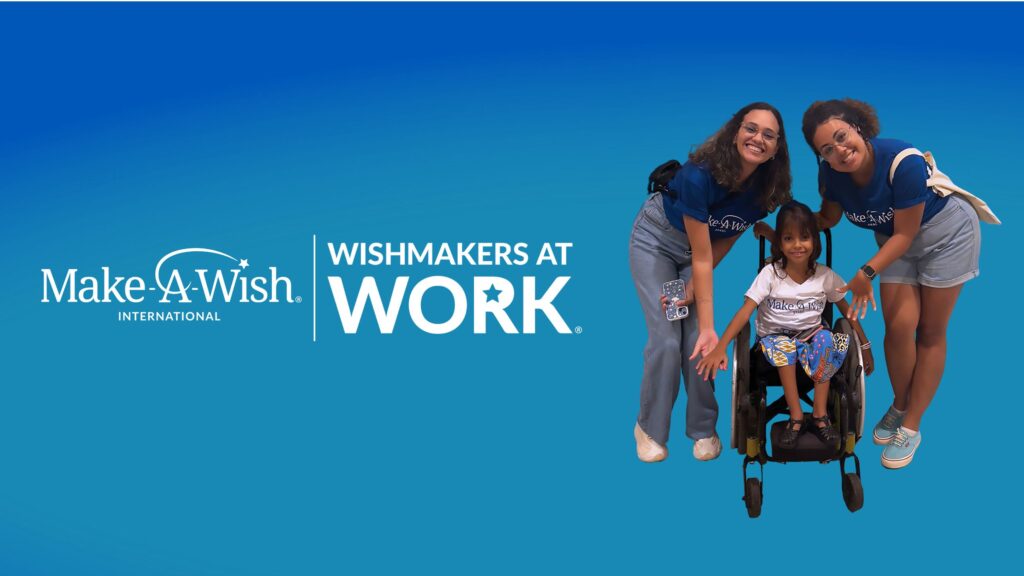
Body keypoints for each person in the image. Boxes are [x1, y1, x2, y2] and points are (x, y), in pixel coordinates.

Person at [801, 98, 984, 468]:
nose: (839, 151)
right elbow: (829, 218)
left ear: (859, 128)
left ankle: (913, 425)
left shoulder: (904, 161)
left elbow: (907, 233)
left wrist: (866, 273)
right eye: (827, 149)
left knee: (929, 332)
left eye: (842, 136)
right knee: (898, 329)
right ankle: (900, 404)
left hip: (946, 236)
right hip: (893, 244)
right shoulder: (832, 175)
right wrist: (789, 229)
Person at [629, 102, 791, 462]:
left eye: (768, 135)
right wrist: (707, 323)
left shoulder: (766, 190)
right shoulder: (698, 176)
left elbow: (727, 236)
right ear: (736, 132)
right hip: (658, 245)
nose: (757, 139)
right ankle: (650, 428)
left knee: (700, 344)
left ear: (777, 147)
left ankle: (703, 429)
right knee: (670, 340)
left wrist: (694, 288)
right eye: (751, 129)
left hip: (697, 258)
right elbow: (700, 256)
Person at [695, 202, 874, 449]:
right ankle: (796, 415)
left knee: (829, 339)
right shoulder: (770, 274)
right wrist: (720, 347)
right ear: (780, 243)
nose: (798, 245)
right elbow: (744, 312)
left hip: (811, 337)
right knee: (784, 346)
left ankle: (820, 416)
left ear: (815, 242)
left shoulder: (825, 276)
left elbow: (849, 313)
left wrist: (864, 346)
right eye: (789, 239)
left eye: (804, 238)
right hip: (773, 340)